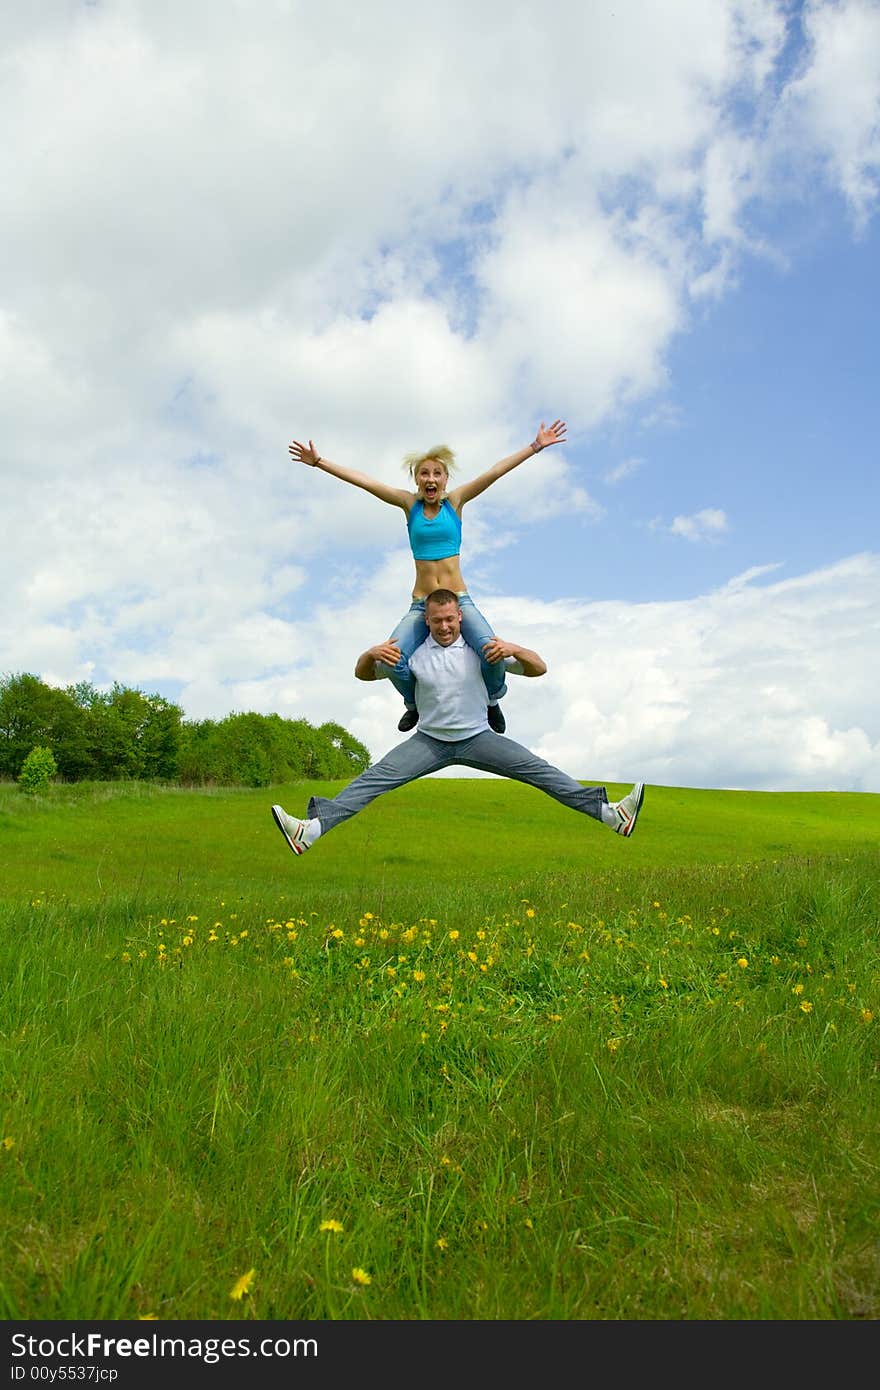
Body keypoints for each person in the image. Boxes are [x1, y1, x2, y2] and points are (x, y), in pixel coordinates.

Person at [270, 589, 645, 856]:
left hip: (478, 737)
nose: (445, 626)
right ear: (427, 621)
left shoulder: (480, 652)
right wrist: (369, 654)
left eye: (450, 619)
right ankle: (311, 830)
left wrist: (514, 649)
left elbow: (539, 667)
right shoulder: (414, 655)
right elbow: (363, 676)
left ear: (460, 617)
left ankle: (611, 815)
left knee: (539, 771)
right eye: (437, 621)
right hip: (429, 741)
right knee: (373, 780)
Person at [288, 419, 567, 734]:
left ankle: (492, 699)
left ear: (446, 480)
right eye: (424, 473)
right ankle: (413, 703)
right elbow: (366, 483)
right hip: (422, 606)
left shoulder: (455, 503)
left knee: (492, 650)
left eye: (437, 473)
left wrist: (535, 447)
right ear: (416, 480)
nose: (431, 478)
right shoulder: (409, 505)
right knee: (391, 657)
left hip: (458, 601)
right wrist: (320, 462)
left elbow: (494, 472)